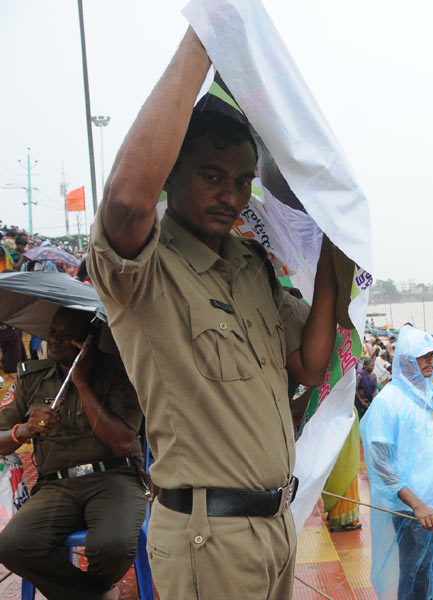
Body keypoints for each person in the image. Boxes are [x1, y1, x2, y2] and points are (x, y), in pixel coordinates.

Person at [86, 28, 341, 599]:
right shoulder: (147, 271)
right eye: (211, 176)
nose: (230, 195)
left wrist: (331, 253)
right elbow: (127, 202)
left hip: (275, 528)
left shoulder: (250, 268)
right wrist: (211, 27)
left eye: (242, 181)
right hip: (211, 541)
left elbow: (310, 363)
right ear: (171, 173)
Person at [0, 308, 146, 600]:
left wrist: (81, 382)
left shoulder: (118, 375)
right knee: (13, 545)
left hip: (114, 477)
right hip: (56, 485)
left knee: (113, 546)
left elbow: (121, 441)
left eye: (66, 335)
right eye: (53, 331)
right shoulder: (33, 378)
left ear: (87, 341)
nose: (54, 340)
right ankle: (97, 595)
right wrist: (23, 431)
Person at [359, 326, 433, 599]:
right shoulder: (389, 401)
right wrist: (417, 505)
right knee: (412, 574)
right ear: (407, 359)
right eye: (423, 356)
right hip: (412, 510)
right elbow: (381, 464)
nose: (430, 361)